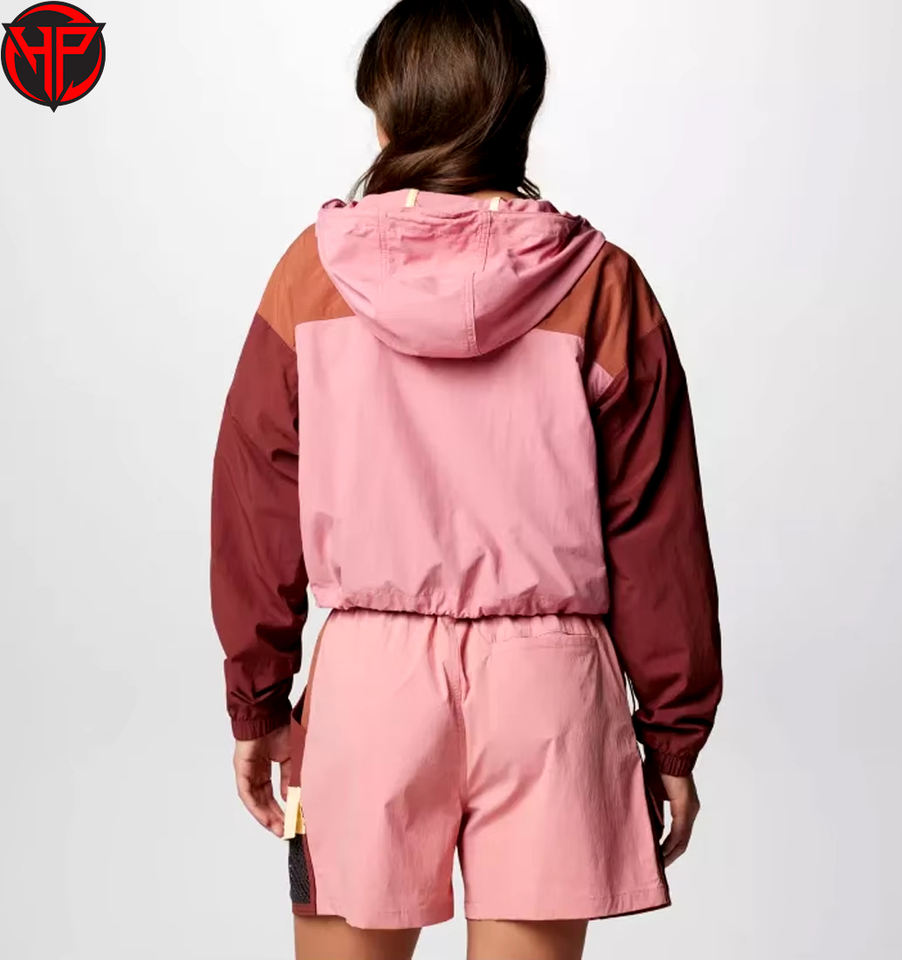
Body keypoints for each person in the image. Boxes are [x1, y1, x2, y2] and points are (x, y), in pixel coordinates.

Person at [209, 2, 723, 958]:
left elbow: (256, 496)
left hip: (369, 687)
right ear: (520, 108)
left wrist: (259, 698)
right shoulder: (600, 283)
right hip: (550, 687)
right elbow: (655, 528)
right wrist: (673, 735)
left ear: (387, 116)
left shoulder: (310, 276)